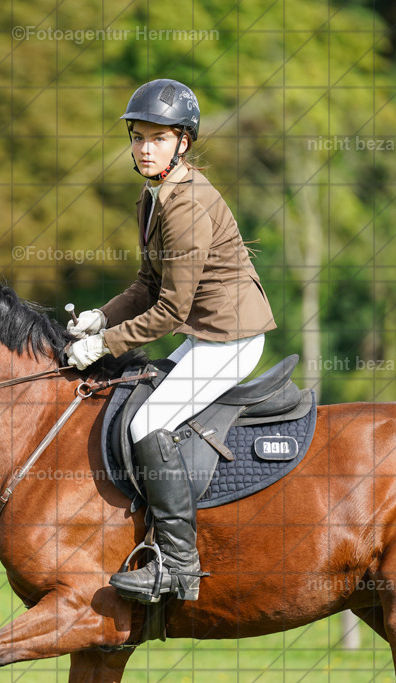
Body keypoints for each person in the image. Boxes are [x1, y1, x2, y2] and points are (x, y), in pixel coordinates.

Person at [66, 79, 277, 604]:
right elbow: (144, 285)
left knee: (147, 422)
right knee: (140, 398)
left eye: (156, 138)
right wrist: (98, 317)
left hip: (230, 338)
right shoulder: (155, 195)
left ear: (183, 142)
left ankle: (180, 567)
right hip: (206, 333)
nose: (143, 147)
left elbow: (170, 310)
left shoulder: (185, 206)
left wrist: (103, 345)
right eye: (138, 137)